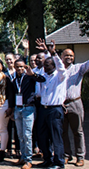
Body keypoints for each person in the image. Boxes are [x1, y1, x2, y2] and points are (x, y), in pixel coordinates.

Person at [60, 40, 89, 167]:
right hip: (61, 105)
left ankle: (80, 156)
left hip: (75, 103)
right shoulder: (58, 71)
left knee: (78, 131)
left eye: (71, 56)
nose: (69, 58)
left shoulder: (78, 69)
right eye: (66, 55)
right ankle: (67, 155)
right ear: (61, 57)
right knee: (63, 132)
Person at [35, 40, 67, 168]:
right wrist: (45, 51)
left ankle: (59, 162)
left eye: (48, 65)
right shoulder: (45, 75)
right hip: (43, 109)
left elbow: (59, 64)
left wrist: (53, 52)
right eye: (44, 65)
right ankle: (47, 159)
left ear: (53, 66)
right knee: (42, 136)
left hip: (55, 110)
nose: (45, 67)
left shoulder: (60, 76)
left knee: (56, 137)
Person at [10, 59, 45, 169]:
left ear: (25, 67)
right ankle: (23, 157)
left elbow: (42, 79)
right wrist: (12, 110)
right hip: (17, 109)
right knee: (20, 136)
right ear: (14, 68)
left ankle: (28, 160)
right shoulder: (15, 80)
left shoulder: (30, 77)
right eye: (17, 67)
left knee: (27, 135)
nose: (20, 69)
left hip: (28, 109)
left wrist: (33, 74)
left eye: (21, 67)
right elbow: (12, 95)